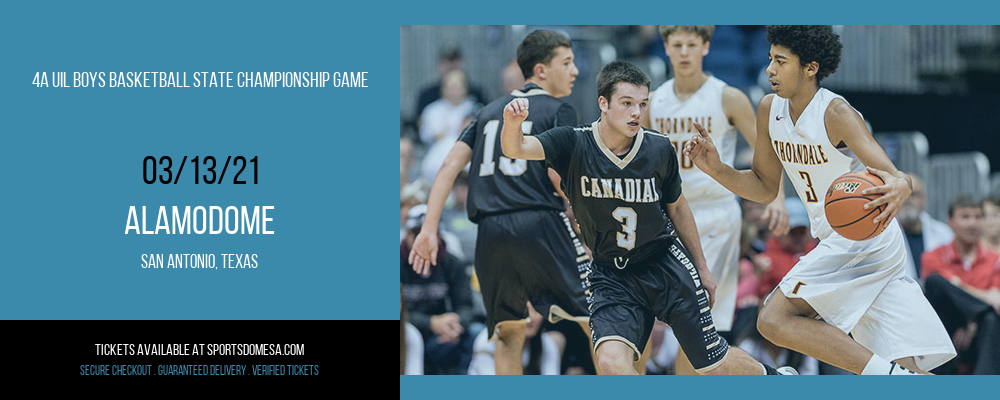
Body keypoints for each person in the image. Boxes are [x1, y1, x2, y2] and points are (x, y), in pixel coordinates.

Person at [684, 25, 955, 375]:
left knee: (773, 318)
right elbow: (764, 187)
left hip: (863, 239)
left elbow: (891, 173)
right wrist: (716, 169)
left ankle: (880, 378)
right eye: (769, 59)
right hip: (837, 238)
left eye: (781, 61)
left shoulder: (835, 113)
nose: (769, 69)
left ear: (810, 68)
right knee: (913, 368)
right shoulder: (769, 108)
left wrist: (900, 183)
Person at [500, 60, 794, 375]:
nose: (636, 112)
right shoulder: (572, 142)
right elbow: (516, 149)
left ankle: (772, 377)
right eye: (627, 104)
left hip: (663, 264)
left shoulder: (658, 148)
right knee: (611, 363)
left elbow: (678, 208)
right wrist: (512, 123)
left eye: (642, 104)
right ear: (603, 103)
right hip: (611, 274)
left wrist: (703, 269)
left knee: (712, 367)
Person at [409, 30, 594, 375]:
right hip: (540, 223)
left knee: (509, 333)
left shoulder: (486, 111)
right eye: (566, 63)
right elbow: (560, 175)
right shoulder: (559, 109)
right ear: (541, 70)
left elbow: (449, 166)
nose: (575, 72)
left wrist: (429, 229)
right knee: (598, 317)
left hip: (491, 231)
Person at [642, 25, 790, 373]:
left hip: (716, 212)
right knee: (659, 317)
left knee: (700, 321)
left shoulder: (728, 97)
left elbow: (765, 153)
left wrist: (777, 199)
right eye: (676, 45)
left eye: (691, 44)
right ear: (665, 47)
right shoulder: (655, 101)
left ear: (706, 46)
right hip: (669, 215)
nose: (683, 52)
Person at [921, 195, 1000, 374]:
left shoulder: (996, 260)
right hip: (946, 329)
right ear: (950, 222)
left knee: (991, 319)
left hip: (981, 333)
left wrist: (973, 321)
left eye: (978, 217)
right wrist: (982, 303)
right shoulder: (933, 256)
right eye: (965, 217)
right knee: (935, 282)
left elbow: (997, 300)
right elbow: (939, 294)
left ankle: (983, 388)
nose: (973, 223)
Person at [400, 205, 476, 374]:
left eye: (429, 234)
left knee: (475, 334)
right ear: (407, 235)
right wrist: (431, 323)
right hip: (408, 330)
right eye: (416, 233)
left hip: (446, 332)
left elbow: (466, 305)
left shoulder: (452, 263)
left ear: (440, 236)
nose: (423, 239)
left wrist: (456, 323)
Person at [898, 175, 954, 279]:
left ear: (924, 199)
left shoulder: (944, 233)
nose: (907, 200)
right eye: (902, 194)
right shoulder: (884, 236)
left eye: (913, 194)